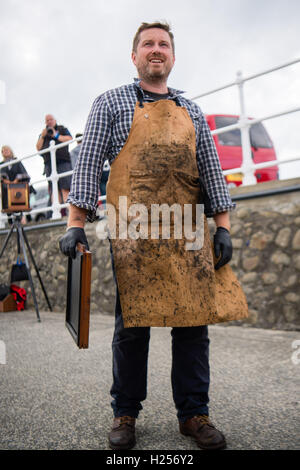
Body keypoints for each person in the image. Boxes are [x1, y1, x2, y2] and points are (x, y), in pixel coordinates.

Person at [59, 22, 247, 451]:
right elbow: (87, 165)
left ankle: (194, 414)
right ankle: (125, 413)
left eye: (163, 44)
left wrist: (223, 227)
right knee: (132, 329)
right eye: (148, 44)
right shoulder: (110, 102)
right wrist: (75, 224)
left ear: (173, 57)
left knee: (193, 328)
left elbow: (211, 168)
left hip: (187, 231)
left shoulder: (191, 110)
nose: (156, 50)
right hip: (134, 232)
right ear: (135, 56)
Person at [36, 114, 73, 207]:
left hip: (63, 162)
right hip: (49, 164)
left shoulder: (62, 129)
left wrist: (56, 135)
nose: (49, 121)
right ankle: (56, 213)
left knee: (65, 188)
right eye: (47, 120)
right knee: (54, 189)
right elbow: (38, 148)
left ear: (55, 120)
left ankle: (69, 212)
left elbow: (70, 139)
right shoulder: (43, 133)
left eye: (51, 119)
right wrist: (42, 136)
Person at [0, 145, 32, 224]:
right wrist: (6, 181)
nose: (6, 151)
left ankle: (24, 221)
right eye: (4, 150)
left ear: (11, 151)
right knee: (8, 205)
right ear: (2, 153)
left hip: (18, 187)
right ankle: (11, 222)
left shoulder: (17, 161)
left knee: (20, 203)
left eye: (7, 150)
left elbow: (24, 173)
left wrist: (16, 180)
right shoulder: (1, 164)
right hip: (6, 189)